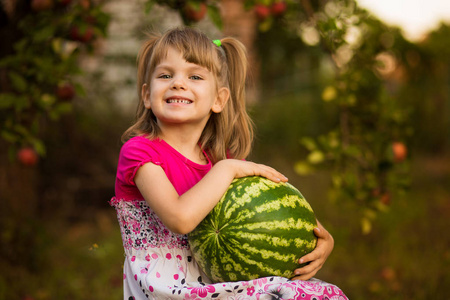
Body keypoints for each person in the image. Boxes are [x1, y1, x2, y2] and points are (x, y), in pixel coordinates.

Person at [110, 27, 348, 299]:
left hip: (216, 281)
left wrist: (319, 237)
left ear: (218, 100)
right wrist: (227, 169)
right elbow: (180, 219)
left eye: (195, 76)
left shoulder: (219, 160)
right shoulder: (140, 152)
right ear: (146, 95)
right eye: (165, 75)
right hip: (166, 289)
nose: (177, 83)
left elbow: (270, 211)